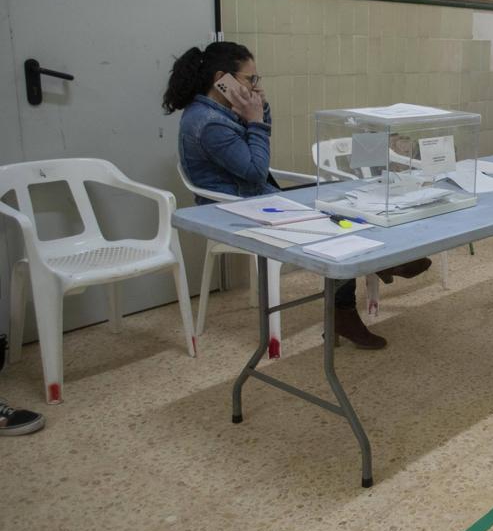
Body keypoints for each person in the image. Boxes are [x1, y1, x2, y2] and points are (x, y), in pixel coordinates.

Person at [164, 41, 432, 350]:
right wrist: (255, 120)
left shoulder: (219, 110)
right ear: (222, 79)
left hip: (257, 197)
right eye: (250, 79)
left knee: (340, 203)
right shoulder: (208, 122)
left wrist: (259, 110)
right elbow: (254, 169)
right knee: (334, 226)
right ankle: (364, 285)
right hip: (232, 208)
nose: (256, 85)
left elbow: (255, 160)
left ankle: (371, 272)